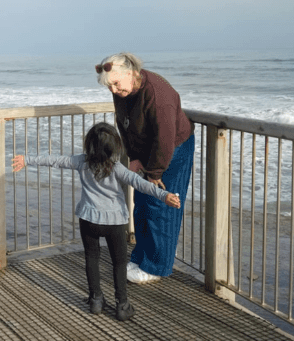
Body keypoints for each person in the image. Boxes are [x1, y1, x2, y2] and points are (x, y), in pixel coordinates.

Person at [11, 122, 180, 321]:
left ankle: (96, 300)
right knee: (118, 263)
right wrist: (164, 195)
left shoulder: (81, 161)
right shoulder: (117, 168)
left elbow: (55, 160)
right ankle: (122, 304)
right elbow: (140, 184)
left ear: (89, 144)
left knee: (92, 258)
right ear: (114, 147)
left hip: (88, 219)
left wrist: (27, 159)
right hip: (114, 222)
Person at [95, 52, 194, 284]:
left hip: (172, 150)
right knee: (141, 204)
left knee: (160, 206)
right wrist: (134, 157)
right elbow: (123, 124)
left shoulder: (159, 95)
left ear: (130, 73)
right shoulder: (124, 90)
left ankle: (156, 267)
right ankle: (141, 257)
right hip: (147, 150)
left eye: (116, 84)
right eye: (109, 87)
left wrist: (154, 173)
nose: (113, 91)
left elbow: (165, 139)